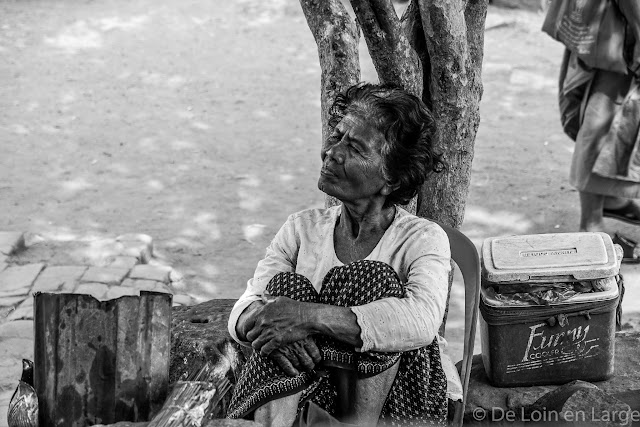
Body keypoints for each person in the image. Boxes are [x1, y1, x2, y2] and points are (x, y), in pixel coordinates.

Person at [226, 82, 451, 426]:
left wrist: (306, 317)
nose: (333, 152)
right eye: (337, 136)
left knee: (371, 280)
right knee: (282, 293)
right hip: (308, 391)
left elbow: (421, 321)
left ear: (391, 178)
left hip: (397, 405)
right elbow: (247, 305)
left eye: (355, 148)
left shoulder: (422, 238)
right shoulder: (301, 229)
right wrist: (273, 326)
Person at [556, 1, 640, 234]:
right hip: (619, 35)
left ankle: (611, 201)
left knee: (621, 118)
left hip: (621, 31)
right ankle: (590, 227)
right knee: (602, 120)